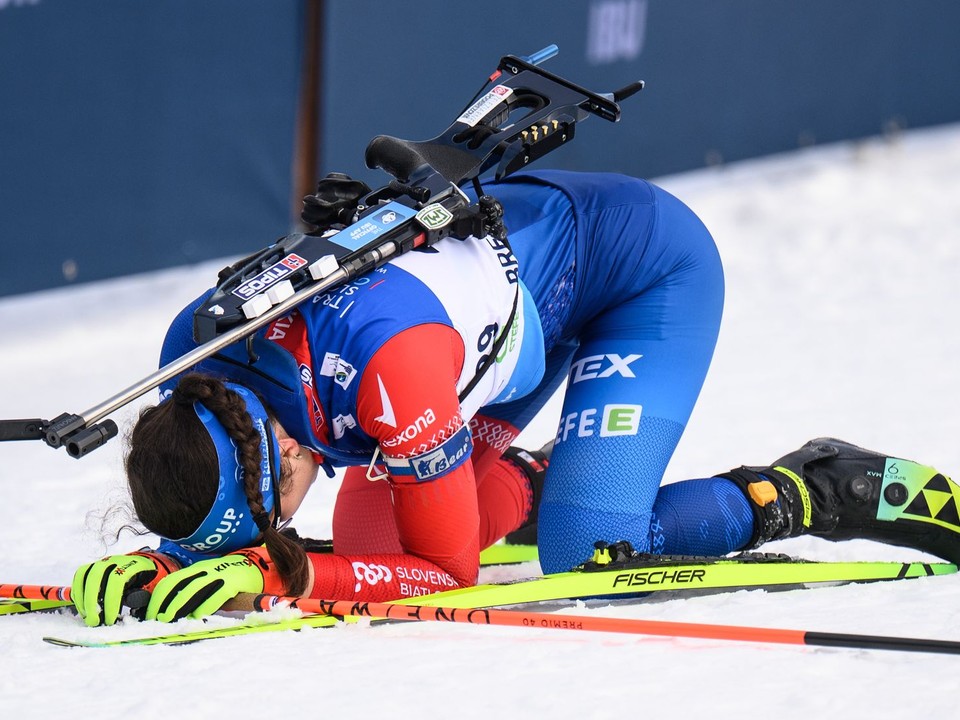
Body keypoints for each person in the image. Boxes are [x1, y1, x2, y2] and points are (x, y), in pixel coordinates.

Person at [71, 170, 960, 626]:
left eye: (270, 519)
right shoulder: (192, 366)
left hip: (638, 273)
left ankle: (811, 487)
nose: (280, 529)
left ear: (287, 456)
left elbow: (448, 575)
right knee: (372, 539)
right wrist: (168, 559)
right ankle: (541, 478)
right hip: (499, 317)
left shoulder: (388, 377)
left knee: (593, 552)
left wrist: (287, 570)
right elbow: (257, 506)